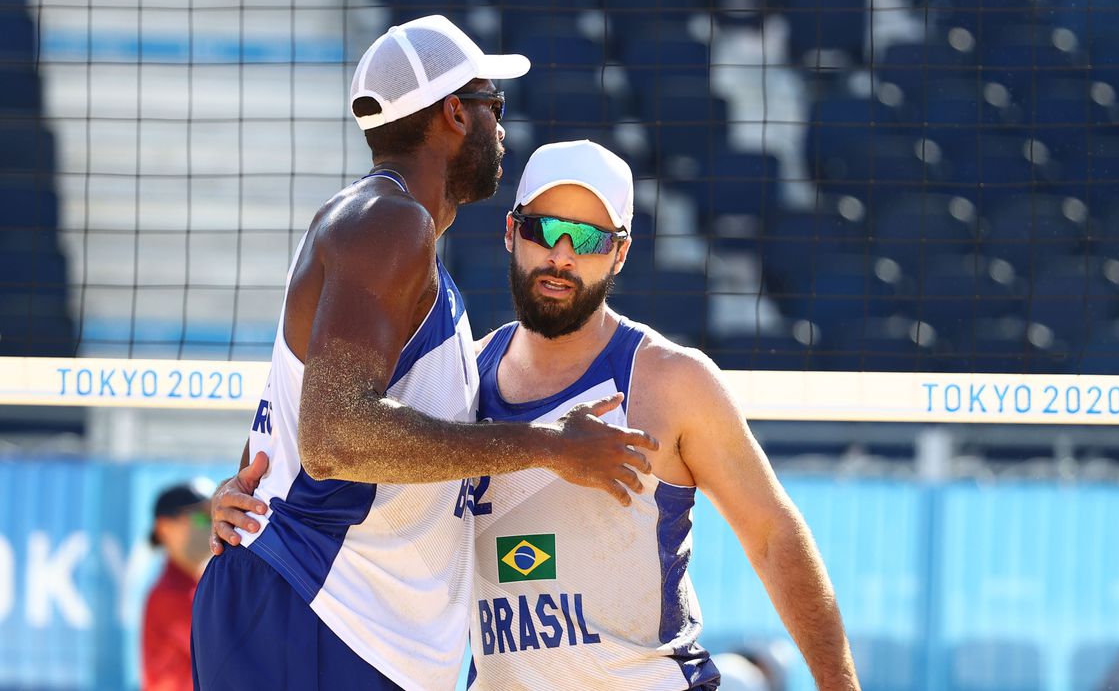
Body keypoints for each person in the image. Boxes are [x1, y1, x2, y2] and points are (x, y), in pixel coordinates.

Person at [213, 141, 861, 690]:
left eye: (587, 239)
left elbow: (775, 538)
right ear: (510, 232)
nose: (561, 255)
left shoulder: (669, 380)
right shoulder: (456, 376)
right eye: (544, 231)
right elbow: (342, 449)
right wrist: (241, 502)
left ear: (621, 253)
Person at [191, 17, 659, 691]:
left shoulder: (374, 227)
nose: (502, 129)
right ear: (453, 114)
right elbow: (334, 438)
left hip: (344, 621)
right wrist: (549, 446)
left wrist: (241, 491)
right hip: (318, 609)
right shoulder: (389, 223)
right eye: (493, 106)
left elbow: (289, 436)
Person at [143, 480, 213, 691]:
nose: (213, 522)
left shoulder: (201, 587)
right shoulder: (169, 595)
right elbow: (227, 650)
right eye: (202, 516)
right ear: (165, 527)